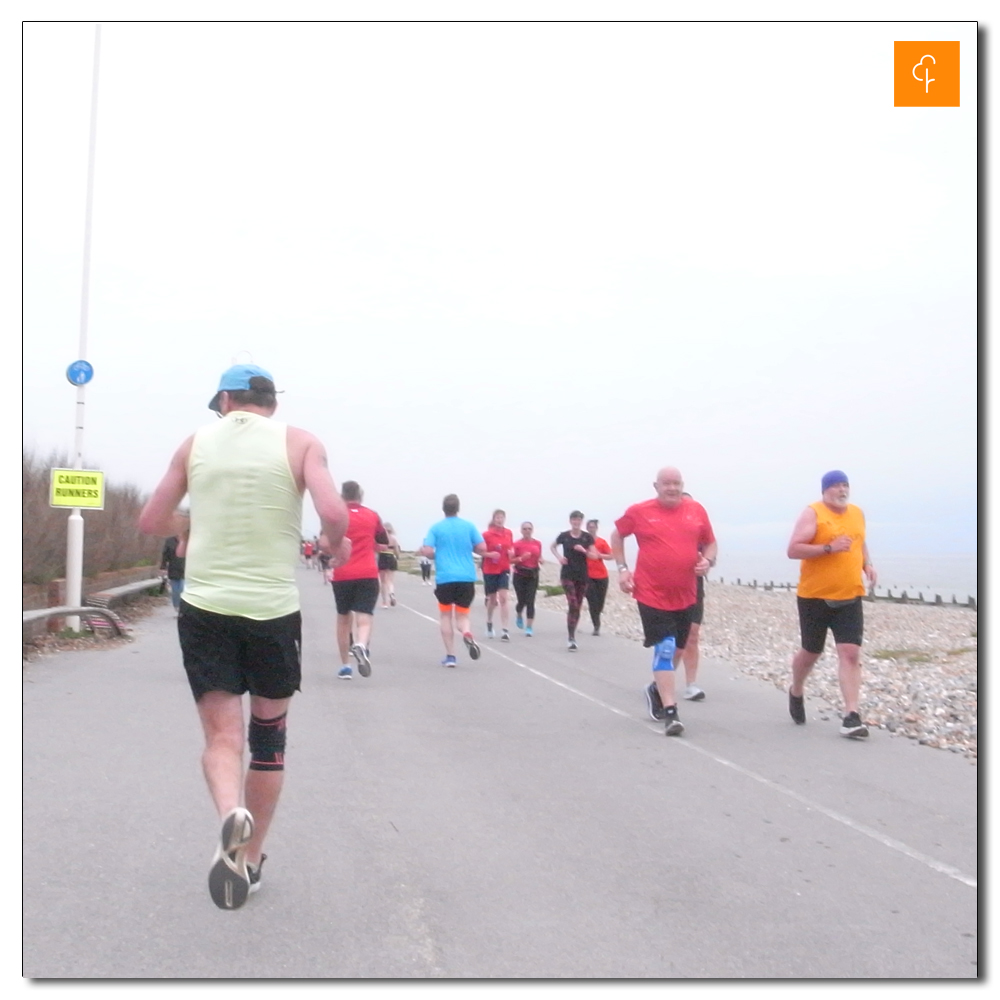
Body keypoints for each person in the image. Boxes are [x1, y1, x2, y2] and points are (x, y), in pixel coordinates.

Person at [138, 363, 351, 910]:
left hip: (206, 608)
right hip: (273, 612)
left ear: (227, 399)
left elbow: (150, 520)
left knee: (221, 740)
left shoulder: (194, 444)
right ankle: (251, 858)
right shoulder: (302, 442)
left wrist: (188, 527)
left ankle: (231, 811)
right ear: (271, 403)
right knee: (268, 741)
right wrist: (333, 545)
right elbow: (332, 510)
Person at [611, 468, 717, 736]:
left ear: (683, 484)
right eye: (666, 484)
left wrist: (708, 561)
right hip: (651, 592)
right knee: (667, 648)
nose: (672, 488)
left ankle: (656, 689)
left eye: (677, 483)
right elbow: (617, 535)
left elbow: (711, 543)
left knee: (679, 649)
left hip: (686, 593)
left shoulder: (696, 510)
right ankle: (671, 712)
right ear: (656, 486)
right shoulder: (640, 511)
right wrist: (623, 568)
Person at [786, 470, 877, 738]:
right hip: (815, 597)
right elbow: (793, 549)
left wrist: (868, 564)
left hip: (850, 595)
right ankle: (796, 689)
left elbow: (860, 542)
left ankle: (851, 716)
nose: (841, 490)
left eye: (845, 485)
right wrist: (829, 548)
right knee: (811, 652)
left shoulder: (857, 513)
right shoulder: (813, 513)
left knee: (850, 653)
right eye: (836, 486)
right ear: (825, 490)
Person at [329, 481, 389, 680]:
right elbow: (383, 541)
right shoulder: (372, 515)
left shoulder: (337, 515)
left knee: (343, 618)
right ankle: (361, 644)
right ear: (360, 495)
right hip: (367, 572)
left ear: (342, 495)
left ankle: (345, 666)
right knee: (364, 615)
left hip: (343, 573)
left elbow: (327, 540)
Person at [418, 494, 487, 667]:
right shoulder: (469, 526)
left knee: (446, 615)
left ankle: (450, 656)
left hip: (445, 578)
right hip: (466, 577)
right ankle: (466, 632)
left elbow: (427, 551)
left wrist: (436, 554)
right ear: (458, 508)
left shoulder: (436, 528)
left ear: (443, 509)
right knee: (462, 615)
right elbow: (482, 547)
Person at [550, 512, 599, 651]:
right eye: (574, 520)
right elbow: (553, 547)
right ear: (570, 521)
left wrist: (583, 550)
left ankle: (572, 634)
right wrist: (559, 557)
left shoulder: (586, 537)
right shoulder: (564, 536)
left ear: (581, 521)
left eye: (578, 520)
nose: (576, 522)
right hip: (567, 574)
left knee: (577, 606)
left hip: (582, 576)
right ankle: (571, 637)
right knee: (573, 603)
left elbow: (594, 556)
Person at [678, 492, 708, 702]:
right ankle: (661, 680)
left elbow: (710, 552)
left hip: (694, 585)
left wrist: (707, 562)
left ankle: (691, 684)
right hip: (667, 587)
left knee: (693, 634)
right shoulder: (666, 527)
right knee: (671, 638)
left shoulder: (700, 530)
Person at [482, 509, 515, 641]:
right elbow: (480, 551)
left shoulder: (508, 533)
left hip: (504, 568)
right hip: (490, 569)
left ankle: (505, 629)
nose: (500, 520)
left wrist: (511, 552)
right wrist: (490, 555)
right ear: (494, 519)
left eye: (502, 517)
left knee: (503, 598)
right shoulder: (486, 535)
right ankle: (489, 622)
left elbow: (510, 547)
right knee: (492, 600)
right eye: (497, 518)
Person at [511, 521, 544, 636]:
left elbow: (539, 556)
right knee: (522, 600)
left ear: (532, 530)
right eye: (525, 529)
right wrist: (521, 558)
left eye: (529, 528)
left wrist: (541, 560)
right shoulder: (516, 544)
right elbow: (510, 560)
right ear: (521, 531)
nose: (527, 531)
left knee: (530, 601)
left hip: (533, 575)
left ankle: (529, 627)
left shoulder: (538, 543)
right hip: (519, 574)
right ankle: (519, 613)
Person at [584, 518, 614, 637]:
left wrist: (599, 555)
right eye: (589, 526)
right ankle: (596, 625)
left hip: (602, 575)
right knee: (592, 601)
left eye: (593, 526)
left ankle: (597, 616)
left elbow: (611, 556)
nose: (591, 528)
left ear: (596, 528)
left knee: (600, 602)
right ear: (587, 528)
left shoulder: (601, 542)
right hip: (587, 576)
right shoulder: (583, 541)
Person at [160, 532, 187, 616]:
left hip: (185, 570)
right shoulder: (170, 541)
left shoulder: (188, 540)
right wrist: (163, 567)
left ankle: (182, 608)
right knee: (175, 591)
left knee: (182, 589)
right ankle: (177, 606)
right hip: (173, 569)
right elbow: (165, 555)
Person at [378, 523, 401, 608]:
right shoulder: (394, 539)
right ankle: (391, 593)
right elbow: (397, 551)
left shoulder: (380, 538)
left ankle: (384, 602)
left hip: (382, 557)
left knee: (383, 581)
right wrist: (397, 557)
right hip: (391, 557)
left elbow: (377, 549)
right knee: (390, 580)